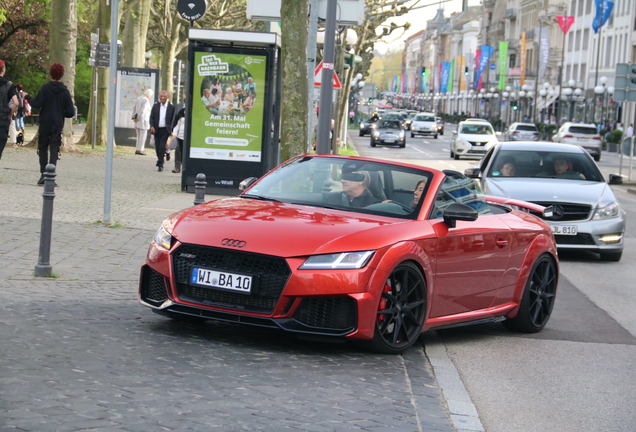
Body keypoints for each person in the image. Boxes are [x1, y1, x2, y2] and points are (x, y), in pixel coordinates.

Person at [23, 62, 74, 185]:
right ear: (62, 75)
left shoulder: (45, 88)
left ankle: (43, 174)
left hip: (45, 121)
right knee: (54, 148)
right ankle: (51, 175)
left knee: (43, 148)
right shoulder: (65, 92)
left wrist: (27, 97)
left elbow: (36, 104)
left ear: (51, 73)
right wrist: (62, 113)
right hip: (57, 123)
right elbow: (71, 112)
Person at [149, 90, 175, 172]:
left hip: (166, 129)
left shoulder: (171, 107)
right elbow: (152, 117)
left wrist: (172, 130)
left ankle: (160, 163)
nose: (162, 98)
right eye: (161, 97)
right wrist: (152, 126)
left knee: (161, 146)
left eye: (164, 97)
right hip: (157, 129)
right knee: (157, 147)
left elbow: (173, 119)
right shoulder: (156, 105)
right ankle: (165, 154)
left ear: (167, 97)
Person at [0, 59, 19, 162]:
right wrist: (10, 115)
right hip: (2, 118)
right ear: (3, 69)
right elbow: (16, 102)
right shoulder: (9, 85)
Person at [132, 88, 153, 155]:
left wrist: (134, 117)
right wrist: (139, 118)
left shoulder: (139, 98)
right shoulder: (146, 100)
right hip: (143, 120)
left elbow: (134, 108)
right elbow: (143, 110)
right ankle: (140, 149)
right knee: (143, 136)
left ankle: (137, 148)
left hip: (137, 120)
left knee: (138, 136)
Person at [170, 106, 185, 174]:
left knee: (185, 153)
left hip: (189, 137)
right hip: (180, 136)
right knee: (178, 151)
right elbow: (177, 124)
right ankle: (177, 167)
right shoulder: (182, 112)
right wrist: (174, 134)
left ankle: (185, 167)